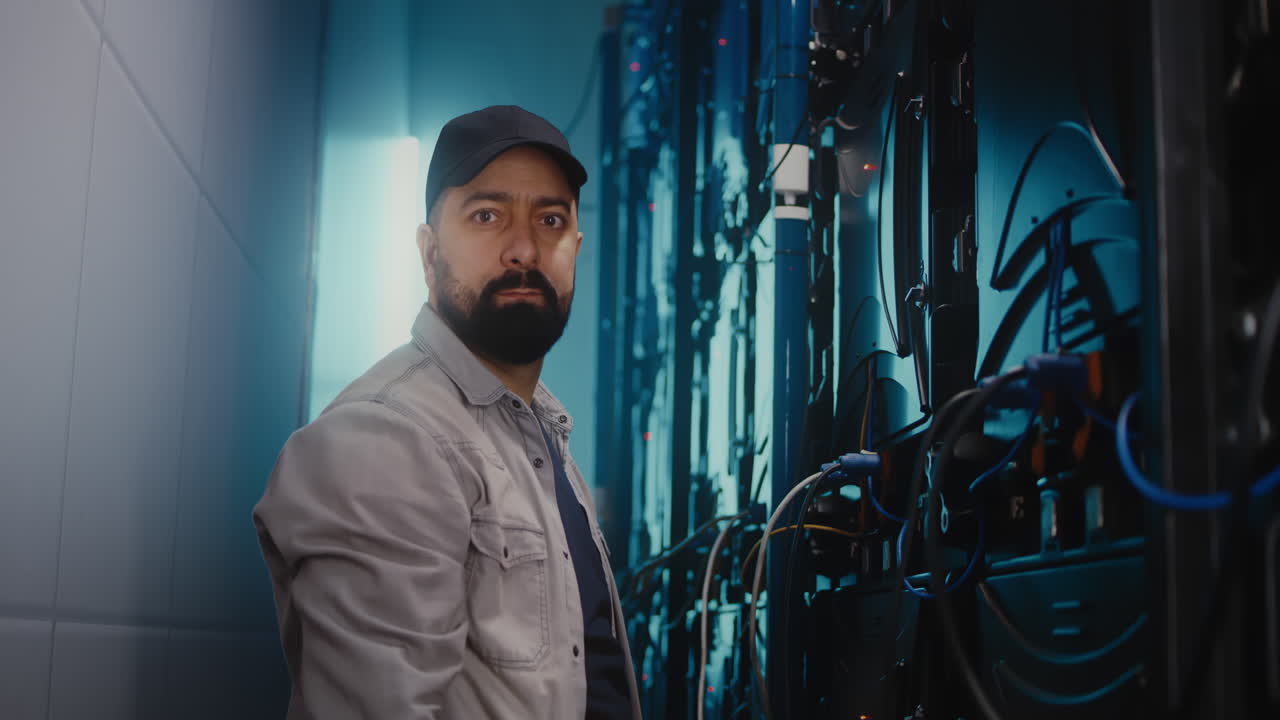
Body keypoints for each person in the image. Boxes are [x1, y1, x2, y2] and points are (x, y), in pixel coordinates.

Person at [253, 105, 641, 720]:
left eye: (550, 218)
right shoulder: (383, 437)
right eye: (486, 215)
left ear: (576, 246)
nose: (524, 248)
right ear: (429, 253)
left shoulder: (539, 431)